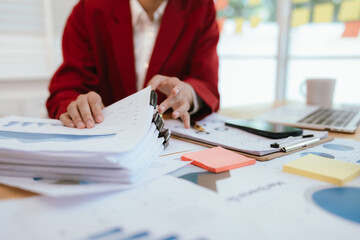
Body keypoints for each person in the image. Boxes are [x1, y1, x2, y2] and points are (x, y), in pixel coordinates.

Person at [46, 0, 220, 129]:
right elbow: (66, 90)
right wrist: (77, 105)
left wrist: (188, 93)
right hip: (105, 141)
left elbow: (206, 84)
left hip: (170, 145)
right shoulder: (89, 9)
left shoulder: (200, 7)